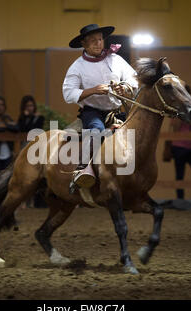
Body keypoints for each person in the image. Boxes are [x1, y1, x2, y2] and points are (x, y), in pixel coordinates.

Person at [62, 24, 138, 193]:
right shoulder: (77, 67)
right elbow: (68, 93)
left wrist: (124, 87)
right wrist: (93, 91)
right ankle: (82, 170)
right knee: (96, 130)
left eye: (100, 39)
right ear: (84, 44)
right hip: (92, 111)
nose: (98, 43)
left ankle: (134, 174)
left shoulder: (116, 59)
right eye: (93, 41)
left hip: (118, 111)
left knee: (137, 134)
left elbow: (135, 80)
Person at [17, 95, 46, 208]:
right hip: (25, 148)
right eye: (27, 106)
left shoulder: (39, 117)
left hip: (36, 149)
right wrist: (25, 118)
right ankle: (26, 202)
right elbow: (21, 129)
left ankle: (34, 201)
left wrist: (29, 118)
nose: (30, 107)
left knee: (35, 174)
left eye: (31, 105)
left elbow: (34, 130)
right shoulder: (22, 118)